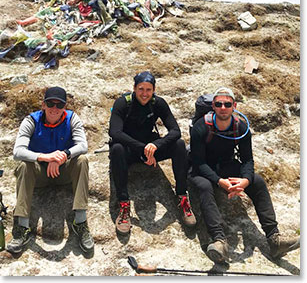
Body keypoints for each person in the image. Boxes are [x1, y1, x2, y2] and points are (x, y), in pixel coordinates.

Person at [189, 86, 300, 264]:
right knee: (204, 186)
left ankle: (274, 239)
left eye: (227, 104)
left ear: (234, 105)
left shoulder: (241, 127)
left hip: (227, 165)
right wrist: (220, 182)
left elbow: (247, 159)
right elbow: (198, 162)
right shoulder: (201, 127)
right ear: (214, 107)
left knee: (258, 181)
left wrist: (245, 180)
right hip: (203, 169)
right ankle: (219, 241)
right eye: (218, 104)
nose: (223, 107)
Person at [7, 86, 94, 254]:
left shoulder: (72, 118)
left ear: (65, 107)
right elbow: (17, 152)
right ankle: (22, 228)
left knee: (82, 160)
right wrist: (45, 157)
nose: (54, 108)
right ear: (43, 105)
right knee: (24, 165)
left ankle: (81, 222)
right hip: (39, 174)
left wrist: (64, 155)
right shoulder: (31, 121)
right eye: (50, 103)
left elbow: (83, 146)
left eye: (59, 105)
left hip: (63, 172)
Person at [109, 71, 196, 235]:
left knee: (178, 145)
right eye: (141, 89)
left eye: (148, 90)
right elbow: (115, 133)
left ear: (154, 90)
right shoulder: (123, 103)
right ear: (134, 88)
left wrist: (156, 145)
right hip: (129, 149)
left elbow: (175, 131)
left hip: (150, 147)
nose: (144, 93)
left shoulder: (158, 103)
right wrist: (143, 149)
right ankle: (124, 204)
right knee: (116, 149)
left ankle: (182, 196)